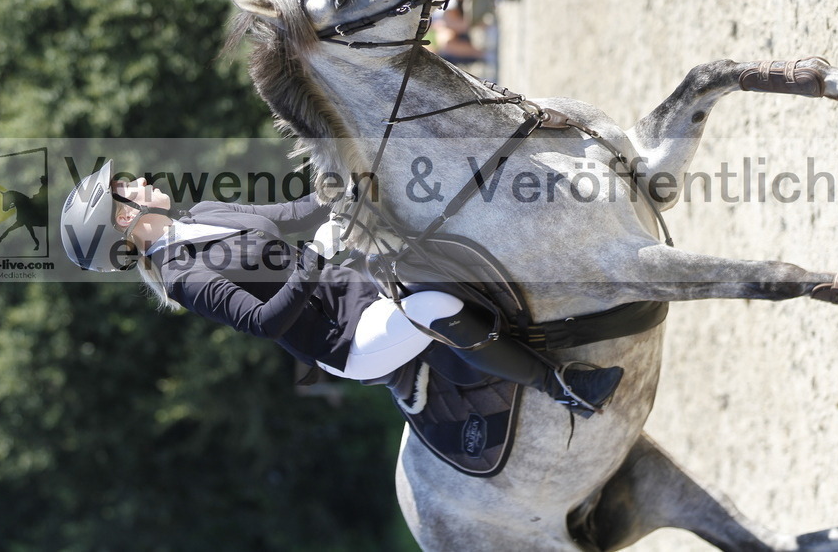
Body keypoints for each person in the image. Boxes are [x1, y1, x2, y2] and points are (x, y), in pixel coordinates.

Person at [60, 161, 624, 418]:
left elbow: (288, 213)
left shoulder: (204, 210)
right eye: (123, 190)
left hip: (355, 281)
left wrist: (342, 183)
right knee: (432, 301)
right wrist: (316, 255)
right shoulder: (183, 277)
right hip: (346, 338)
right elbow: (265, 323)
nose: (135, 182)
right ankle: (562, 386)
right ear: (125, 224)